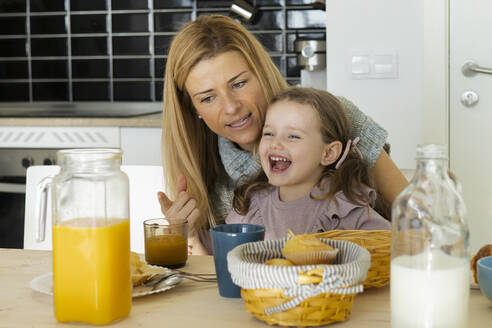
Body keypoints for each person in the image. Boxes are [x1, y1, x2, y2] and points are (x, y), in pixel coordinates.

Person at [157, 15, 406, 254]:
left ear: (261, 73)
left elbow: (420, 216)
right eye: (208, 98)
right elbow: (215, 272)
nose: (231, 107)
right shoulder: (208, 174)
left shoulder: (332, 116)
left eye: (239, 84)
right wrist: (182, 234)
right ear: (193, 108)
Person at [225, 87, 391, 240]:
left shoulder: (342, 209)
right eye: (268, 133)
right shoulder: (252, 204)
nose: (275, 144)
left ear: (328, 153)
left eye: (293, 136)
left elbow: (397, 249)